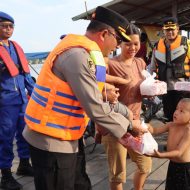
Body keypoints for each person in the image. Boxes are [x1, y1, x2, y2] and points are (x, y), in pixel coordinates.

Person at [22, 6, 144, 190]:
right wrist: (129, 125)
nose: (118, 46)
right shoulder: (77, 56)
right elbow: (95, 107)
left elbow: (96, 94)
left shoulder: (90, 55)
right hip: (51, 141)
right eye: (118, 40)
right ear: (104, 34)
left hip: (69, 135)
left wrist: (126, 112)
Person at [102, 24, 152, 190]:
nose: (132, 47)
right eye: (128, 43)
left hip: (136, 123)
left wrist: (150, 91)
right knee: (118, 174)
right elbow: (97, 89)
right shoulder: (110, 63)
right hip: (115, 125)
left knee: (145, 164)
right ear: (119, 44)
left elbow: (141, 89)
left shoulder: (140, 62)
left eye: (136, 44)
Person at [0, 11, 34, 190]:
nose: (8, 29)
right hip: (5, 102)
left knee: (24, 133)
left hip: (22, 99)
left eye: (10, 26)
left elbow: (26, 74)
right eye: (4, 26)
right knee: (5, 138)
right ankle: (5, 175)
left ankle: (24, 164)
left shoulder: (15, 47)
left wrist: (35, 93)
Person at [148, 17, 190, 121]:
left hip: (181, 87)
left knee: (183, 114)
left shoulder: (186, 43)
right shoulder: (157, 45)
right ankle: (172, 134)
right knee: (168, 114)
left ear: (177, 29)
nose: (170, 32)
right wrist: (147, 81)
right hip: (164, 88)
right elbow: (152, 66)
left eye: (172, 29)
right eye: (167, 30)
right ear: (164, 30)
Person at [148, 98, 190, 190]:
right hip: (173, 164)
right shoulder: (171, 125)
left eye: (181, 111)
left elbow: (178, 152)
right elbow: (155, 130)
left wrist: (162, 155)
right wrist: (147, 127)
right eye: (177, 109)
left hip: (184, 168)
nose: (176, 112)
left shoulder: (187, 132)